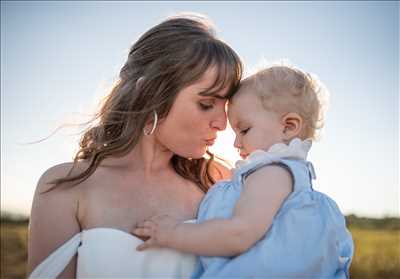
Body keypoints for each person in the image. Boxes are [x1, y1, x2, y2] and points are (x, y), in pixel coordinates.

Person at [27, 13, 243, 278]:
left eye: (227, 107)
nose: (222, 124)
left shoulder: (221, 184)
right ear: (150, 94)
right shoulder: (65, 186)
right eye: (207, 104)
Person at [132, 64, 354, 278]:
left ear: (288, 126)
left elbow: (239, 234)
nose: (236, 143)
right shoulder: (277, 175)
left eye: (244, 130)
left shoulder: (272, 173)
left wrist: (173, 234)